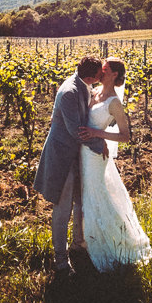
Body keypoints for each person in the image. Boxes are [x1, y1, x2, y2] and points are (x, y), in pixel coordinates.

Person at [76, 56, 152, 271]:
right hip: (85, 151)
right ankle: (85, 240)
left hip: (95, 157)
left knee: (96, 195)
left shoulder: (114, 102)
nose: (101, 69)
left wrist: (97, 134)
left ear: (115, 74)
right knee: (87, 194)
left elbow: (125, 136)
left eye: (106, 67)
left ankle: (109, 243)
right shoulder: (95, 92)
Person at [33, 54, 108, 275]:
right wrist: (99, 143)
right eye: (99, 76)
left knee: (79, 202)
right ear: (90, 76)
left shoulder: (83, 85)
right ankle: (60, 260)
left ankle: (78, 244)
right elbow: (75, 131)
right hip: (62, 155)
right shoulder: (69, 92)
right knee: (62, 207)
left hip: (76, 155)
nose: (101, 78)